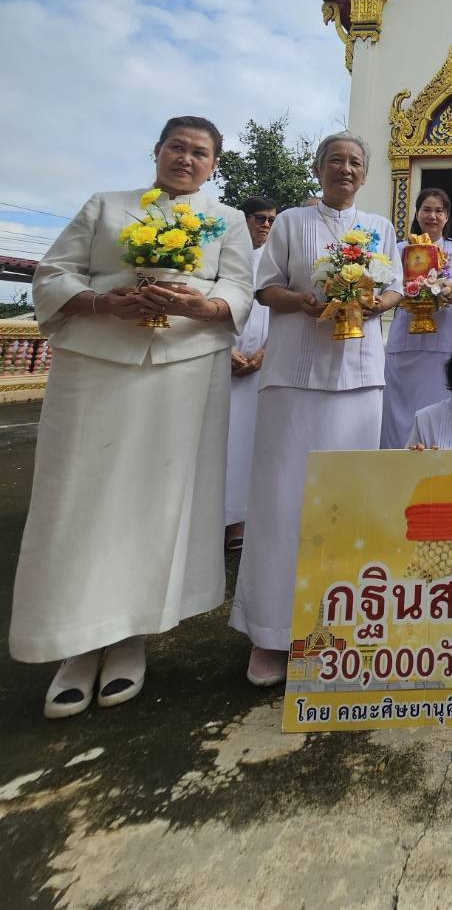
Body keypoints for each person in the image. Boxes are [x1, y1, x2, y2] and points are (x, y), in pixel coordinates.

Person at [9, 116, 254, 718]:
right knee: (80, 497)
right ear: (157, 151)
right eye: (178, 147)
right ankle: (73, 643)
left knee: (156, 500)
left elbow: (239, 290)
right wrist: (101, 301)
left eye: (200, 153)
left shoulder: (228, 219)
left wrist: (204, 303)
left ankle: (129, 637)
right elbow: (52, 275)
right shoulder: (107, 206)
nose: (187, 159)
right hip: (98, 360)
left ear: (214, 165)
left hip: (184, 365)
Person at [229, 133, 402, 687]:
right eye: (335, 161)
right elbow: (266, 290)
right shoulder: (291, 225)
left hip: (359, 379)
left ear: (365, 173)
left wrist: (376, 301)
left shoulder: (381, 227)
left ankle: (339, 630)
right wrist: (306, 301)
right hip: (295, 377)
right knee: (282, 501)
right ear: (319, 168)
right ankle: (271, 634)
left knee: (347, 505)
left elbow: (396, 286)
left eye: (354, 162)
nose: (345, 170)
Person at [380, 187, 452, 448]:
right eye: (426, 210)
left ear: (447, 216)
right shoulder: (399, 249)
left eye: (439, 211)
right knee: (399, 409)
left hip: (442, 339)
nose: (432, 216)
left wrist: (450, 292)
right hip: (404, 340)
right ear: (417, 214)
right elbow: (390, 289)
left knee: (437, 409)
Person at [224, 196, 276, 551]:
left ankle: (239, 522)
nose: (266, 225)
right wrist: (223, 348)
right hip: (221, 358)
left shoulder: (273, 261)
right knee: (219, 443)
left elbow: (282, 312)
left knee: (250, 444)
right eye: (260, 218)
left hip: (261, 363)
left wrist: (264, 353)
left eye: (272, 219)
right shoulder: (220, 256)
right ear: (242, 219)